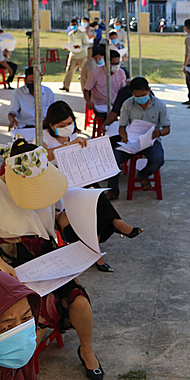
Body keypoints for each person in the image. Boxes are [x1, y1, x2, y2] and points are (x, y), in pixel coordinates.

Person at [0, 139, 105, 380]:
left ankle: (86, 350)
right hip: (12, 263)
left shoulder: (48, 184)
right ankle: (23, 377)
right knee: (38, 314)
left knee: (80, 303)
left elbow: (57, 222)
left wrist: (86, 208)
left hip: (48, 256)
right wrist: (3, 266)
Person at [41, 101, 143, 271]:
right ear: (52, 125)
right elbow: (42, 155)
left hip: (76, 184)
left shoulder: (73, 136)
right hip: (58, 191)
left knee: (92, 192)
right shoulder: (44, 136)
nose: (67, 127)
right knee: (92, 195)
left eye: (69, 123)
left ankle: (98, 247)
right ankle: (117, 224)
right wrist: (67, 146)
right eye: (62, 125)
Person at [107, 77, 170, 199]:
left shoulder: (159, 105)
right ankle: (113, 191)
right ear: (132, 94)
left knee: (158, 159)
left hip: (152, 141)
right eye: (137, 96)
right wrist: (124, 138)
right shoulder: (128, 104)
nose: (141, 98)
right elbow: (122, 127)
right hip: (132, 141)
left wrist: (159, 133)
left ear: (149, 90)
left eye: (143, 95)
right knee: (114, 157)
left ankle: (143, 174)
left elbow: (167, 129)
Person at [83, 50, 126, 120]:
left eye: (118, 64)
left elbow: (123, 90)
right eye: (114, 64)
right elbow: (86, 89)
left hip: (116, 103)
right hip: (100, 104)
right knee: (108, 116)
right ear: (106, 63)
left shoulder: (121, 72)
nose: (116, 66)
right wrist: (88, 101)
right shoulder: (95, 73)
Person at [61, 18, 90, 92]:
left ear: (77, 25)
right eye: (72, 25)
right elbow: (70, 44)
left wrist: (79, 47)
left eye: (75, 25)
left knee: (83, 72)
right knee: (69, 70)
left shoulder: (82, 33)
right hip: (73, 55)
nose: (73, 26)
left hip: (82, 55)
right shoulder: (70, 34)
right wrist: (67, 47)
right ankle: (66, 86)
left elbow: (86, 45)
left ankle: (85, 88)